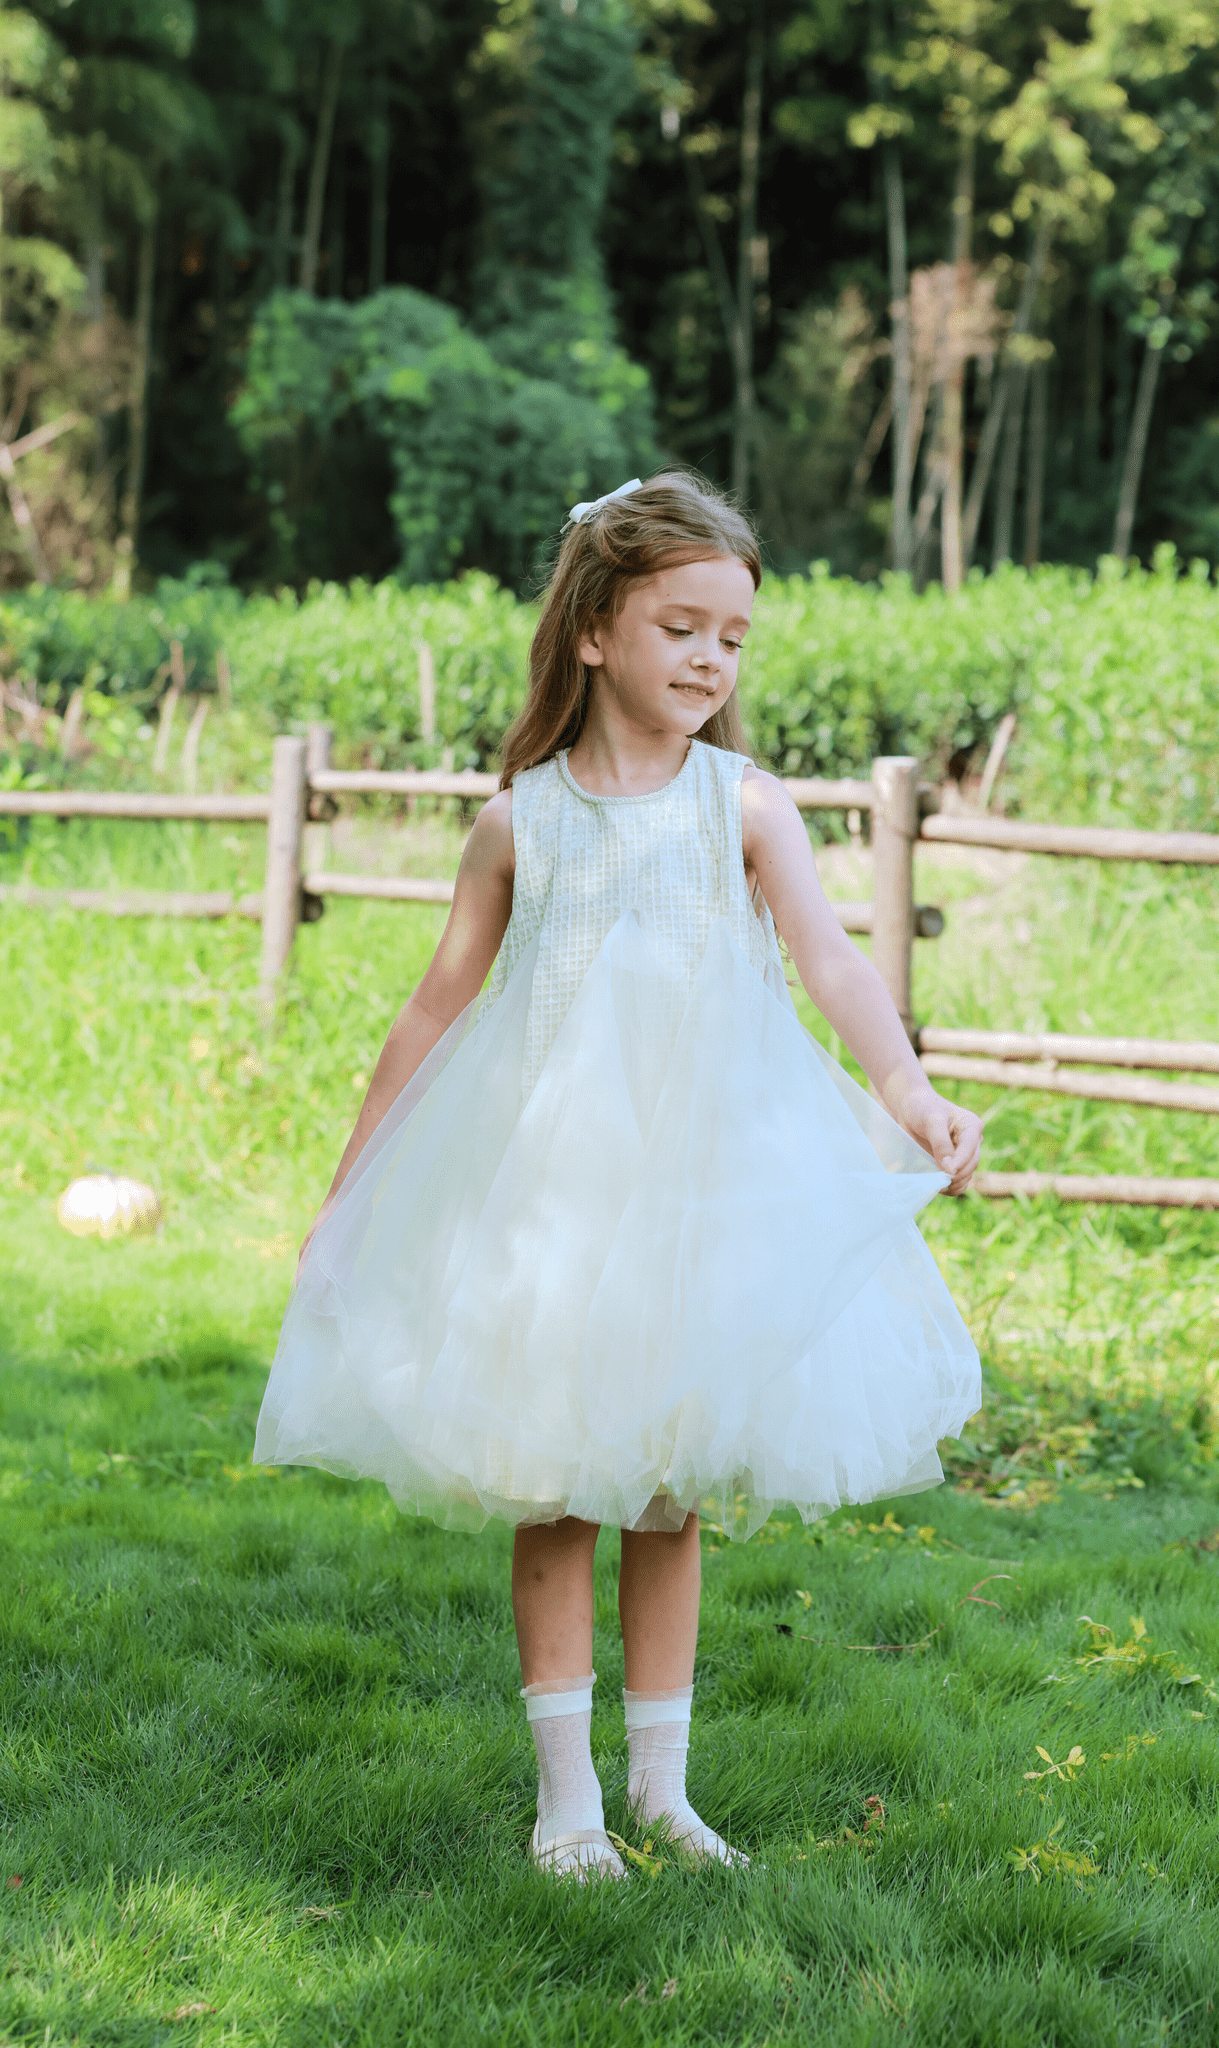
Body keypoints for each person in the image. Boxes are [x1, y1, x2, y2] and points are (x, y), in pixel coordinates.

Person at [255, 472, 983, 1880]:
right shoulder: (519, 824)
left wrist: (906, 1085)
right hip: (554, 1199)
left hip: (706, 1194)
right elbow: (432, 1011)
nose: (712, 661)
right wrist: (348, 1199)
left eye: (734, 638)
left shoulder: (744, 808)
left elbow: (833, 962)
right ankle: (565, 1802)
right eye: (683, 628)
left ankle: (662, 1790)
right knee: (559, 1483)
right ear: (595, 630)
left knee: (669, 1489)